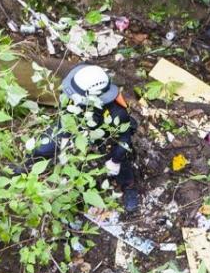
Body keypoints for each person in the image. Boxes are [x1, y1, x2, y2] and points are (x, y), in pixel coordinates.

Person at [25, 64, 141, 212]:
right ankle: (28, 166)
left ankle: (128, 185)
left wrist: (115, 160)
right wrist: (65, 138)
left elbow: (124, 139)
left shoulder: (117, 113)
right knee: (45, 145)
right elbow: (64, 114)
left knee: (122, 157)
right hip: (75, 127)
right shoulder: (72, 92)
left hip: (104, 133)